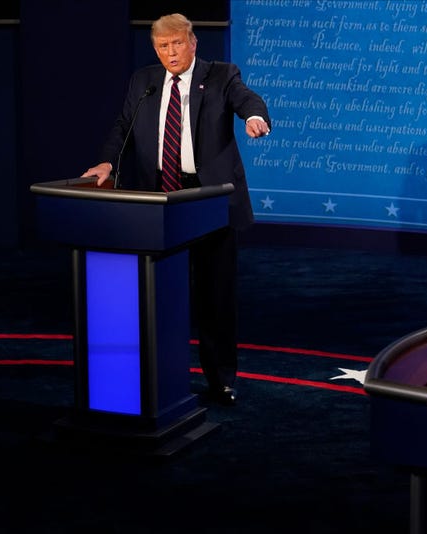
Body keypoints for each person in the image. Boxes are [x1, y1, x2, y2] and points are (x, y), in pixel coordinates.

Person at [83, 13, 272, 406]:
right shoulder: (144, 82)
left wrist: (255, 116)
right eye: (163, 46)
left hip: (207, 201)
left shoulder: (221, 75)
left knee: (214, 294)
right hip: (156, 202)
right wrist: (108, 163)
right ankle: (158, 374)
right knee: (156, 293)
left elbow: (246, 99)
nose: (171, 52)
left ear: (193, 42)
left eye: (177, 44)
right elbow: (123, 126)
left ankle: (221, 378)